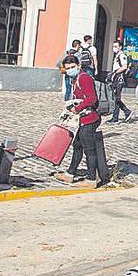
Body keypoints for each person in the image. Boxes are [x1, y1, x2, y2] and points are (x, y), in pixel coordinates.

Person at [56, 54, 111, 188]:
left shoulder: (84, 78)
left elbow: (92, 99)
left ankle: (92, 179)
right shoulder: (75, 79)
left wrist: (78, 108)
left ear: (78, 66)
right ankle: (70, 174)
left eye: (72, 67)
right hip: (83, 118)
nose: (69, 70)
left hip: (90, 119)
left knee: (89, 150)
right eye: (67, 68)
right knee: (77, 145)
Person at [108, 42, 133, 123]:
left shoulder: (122, 55)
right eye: (113, 46)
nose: (114, 48)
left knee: (116, 97)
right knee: (116, 97)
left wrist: (115, 73)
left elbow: (124, 67)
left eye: (116, 46)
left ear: (120, 47)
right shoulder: (117, 55)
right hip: (116, 77)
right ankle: (126, 112)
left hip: (119, 78)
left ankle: (116, 117)